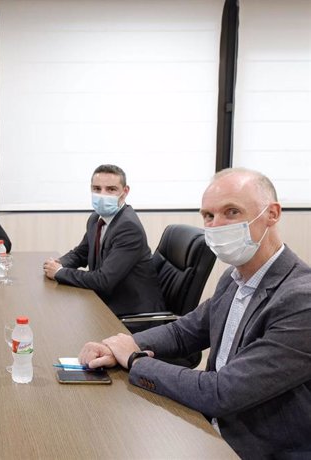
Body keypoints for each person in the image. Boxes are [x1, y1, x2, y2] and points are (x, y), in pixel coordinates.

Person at [79, 168, 311, 458]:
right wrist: (121, 346)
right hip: (213, 427)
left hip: (257, 447)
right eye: (208, 216)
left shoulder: (302, 299)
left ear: (272, 214)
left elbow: (221, 392)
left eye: (231, 212)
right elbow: (184, 331)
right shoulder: (234, 278)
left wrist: (135, 360)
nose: (216, 225)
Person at [43, 164, 163, 316]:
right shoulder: (96, 218)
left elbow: (104, 280)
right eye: (97, 189)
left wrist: (59, 272)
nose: (102, 194)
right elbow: (81, 253)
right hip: (104, 302)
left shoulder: (128, 228)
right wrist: (59, 263)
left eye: (111, 189)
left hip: (130, 312)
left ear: (125, 192)